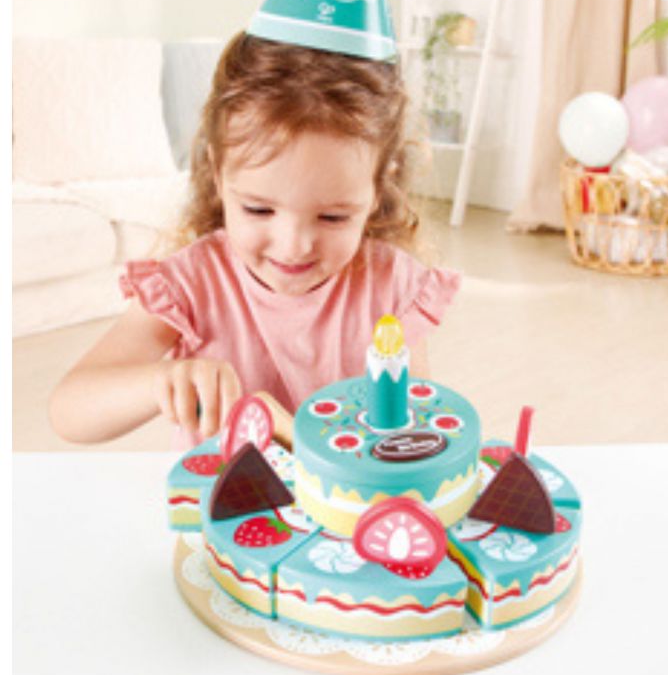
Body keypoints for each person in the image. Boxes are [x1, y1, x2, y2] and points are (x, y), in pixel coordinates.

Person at [49, 33, 460, 448]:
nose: (293, 246)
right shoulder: (191, 284)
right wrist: (161, 381)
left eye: (333, 217)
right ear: (218, 173)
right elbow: (69, 411)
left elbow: (413, 431)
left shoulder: (390, 286)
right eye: (259, 210)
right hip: (221, 490)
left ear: (377, 187)